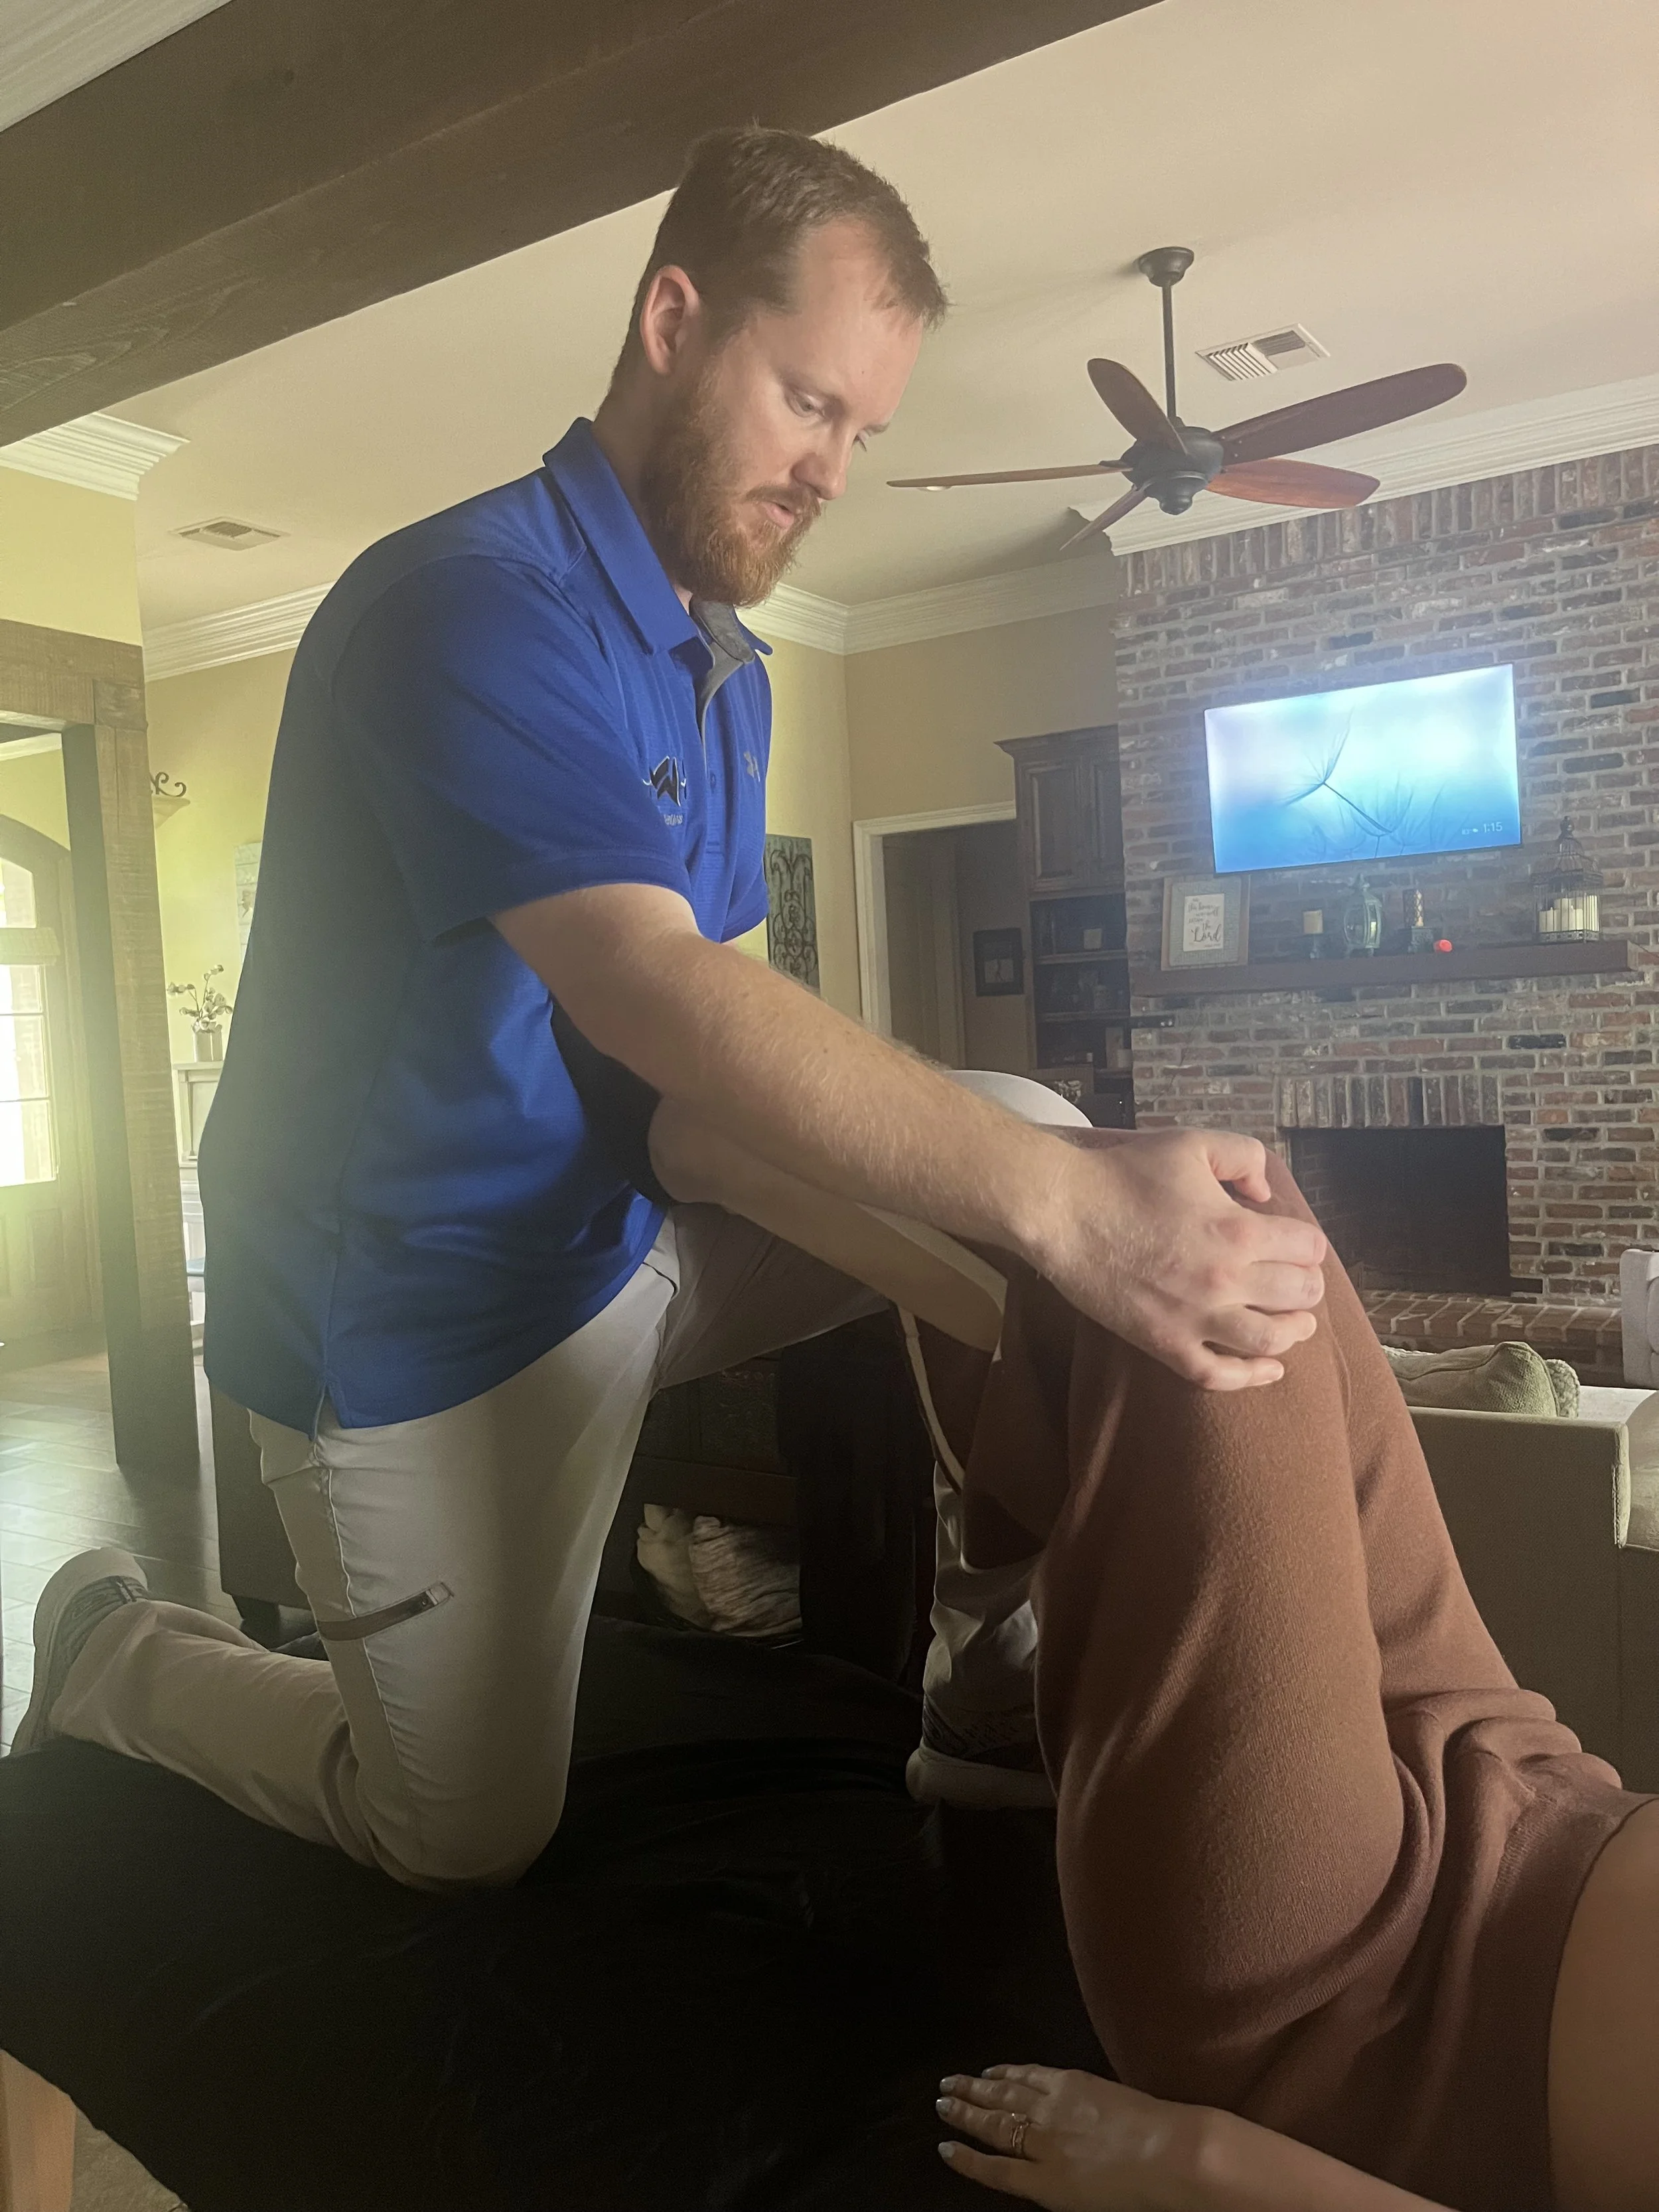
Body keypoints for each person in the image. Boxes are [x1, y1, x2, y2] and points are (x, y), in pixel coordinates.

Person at [11, 127, 1325, 1888]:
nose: (835, 471)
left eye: (864, 431)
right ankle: (116, 1648)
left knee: (1027, 1132)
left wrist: (1036, 1229)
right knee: (464, 1829)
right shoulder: (464, 605)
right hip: (417, 1332)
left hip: (631, 1242)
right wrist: (1074, 1223)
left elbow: (696, 1101)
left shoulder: (726, 668)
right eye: (807, 403)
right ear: (671, 319)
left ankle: (984, 1672)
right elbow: (653, 991)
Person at [875, 1137, 1654, 2212]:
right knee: (1262, 1215)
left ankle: (666, 1125)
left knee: (1205, 1257)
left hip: (1369, 2015)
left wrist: (1193, 2167)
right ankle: (997, 1678)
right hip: (1527, 1778)